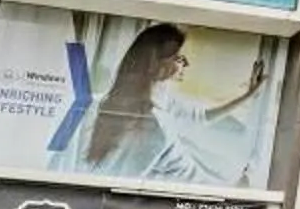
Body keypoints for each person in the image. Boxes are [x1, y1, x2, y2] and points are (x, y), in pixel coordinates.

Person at [76, 23, 272, 182]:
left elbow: (200, 116)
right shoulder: (153, 125)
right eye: (179, 58)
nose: (184, 65)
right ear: (157, 62)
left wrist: (247, 96)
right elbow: (184, 173)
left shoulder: (160, 99)